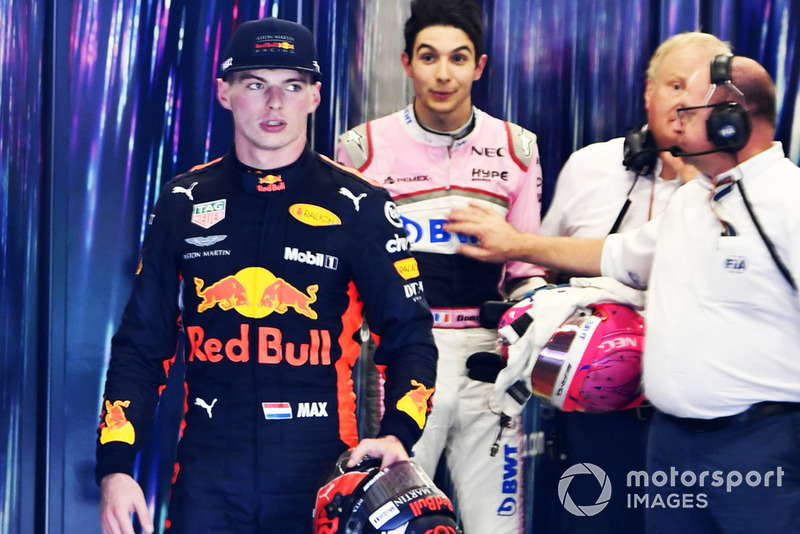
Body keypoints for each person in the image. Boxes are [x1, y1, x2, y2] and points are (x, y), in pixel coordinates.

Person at [96, 17, 437, 534]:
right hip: (209, 471)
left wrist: (397, 436)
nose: (274, 103)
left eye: (291, 85)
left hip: (323, 471)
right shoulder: (184, 201)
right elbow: (143, 345)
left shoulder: (361, 205)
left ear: (315, 96)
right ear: (225, 93)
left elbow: (410, 335)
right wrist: (116, 468)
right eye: (256, 84)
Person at [446, 55, 800, 533]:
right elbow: (621, 255)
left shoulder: (789, 202)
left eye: (689, 112)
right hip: (670, 447)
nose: (676, 122)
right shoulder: (694, 202)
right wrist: (517, 245)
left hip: (758, 448)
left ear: (731, 122)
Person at [335, 1, 546, 532]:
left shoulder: (517, 149)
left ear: (480, 66)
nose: (443, 73)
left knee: (496, 526)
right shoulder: (361, 149)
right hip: (398, 360)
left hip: (485, 360)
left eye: (458, 58)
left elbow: (526, 269)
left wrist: (525, 337)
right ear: (407, 62)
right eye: (429, 57)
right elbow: (340, 274)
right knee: (389, 521)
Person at [537, 32, 730, 534]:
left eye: (703, 90)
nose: (686, 102)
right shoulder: (588, 167)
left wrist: (695, 174)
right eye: (674, 86)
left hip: (698, 420)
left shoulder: (733, 188)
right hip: (595, 416)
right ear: (648, 93)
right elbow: (541, 270)